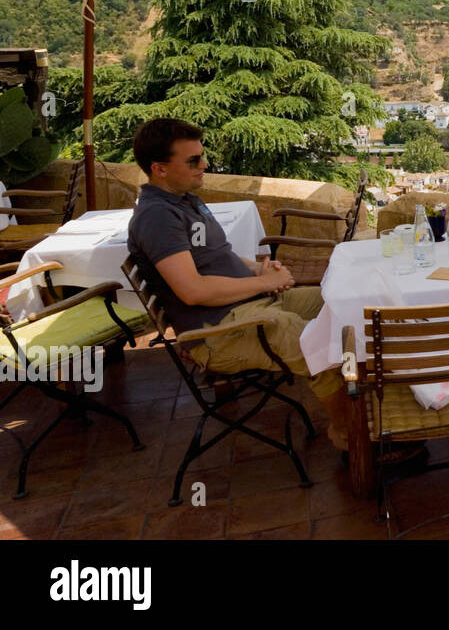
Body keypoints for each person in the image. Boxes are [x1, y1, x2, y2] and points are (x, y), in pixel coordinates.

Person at [125, 118, 351, 449]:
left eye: (202, 156)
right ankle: (349, 436)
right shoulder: (157, 217)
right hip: (217, 332)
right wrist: (265, 284)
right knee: (317, 344)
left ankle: (370, 409)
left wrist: (259, 269)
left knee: (338, 302)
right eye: (193, 161)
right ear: (159, 169)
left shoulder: (185, 199)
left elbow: (221, 255)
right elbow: (193, 290)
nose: (204, 165)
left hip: (247, 306)